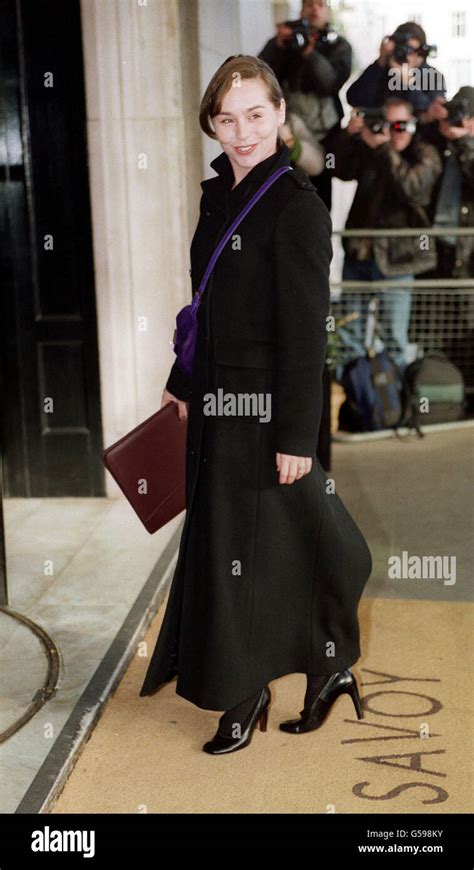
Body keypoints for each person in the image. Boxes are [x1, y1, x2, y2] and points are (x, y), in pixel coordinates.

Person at [139, 55, 373, 755]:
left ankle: (245, 693)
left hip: (269, 413)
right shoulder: (219, 196)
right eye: (226, 118)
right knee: (251, 546)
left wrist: (298, 436)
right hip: (215, 402)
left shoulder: (297, 207)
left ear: (280, 116)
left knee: (257, 548)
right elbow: (204, 304)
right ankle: (328, 664)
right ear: (211, 122)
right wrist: (183, 383)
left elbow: (306, 338)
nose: (241, 132)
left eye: (255, 115)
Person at [329, 96, 442, 376]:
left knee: (393, 340)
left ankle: (395, 410)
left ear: (412, 125)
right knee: (350, 338)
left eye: (401, 126)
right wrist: (349, 134)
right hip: (359, 255)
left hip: (398, 261)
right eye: (387, 125)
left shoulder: (425, 154)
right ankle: (355, 405)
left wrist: (382, 149)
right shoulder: (370, 149)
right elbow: (336, 168)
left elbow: (411, 188)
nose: (393, 133)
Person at [259, 0, 352, 210]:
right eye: (309, 4)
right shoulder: (285, 41)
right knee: (285, 198)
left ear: (328, 12)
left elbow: (331, 83)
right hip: (287, 132)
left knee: (319, 202)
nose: (315, 9)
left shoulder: (338, 45)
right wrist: (278, 45)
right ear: (301, 10)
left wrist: (310, 53)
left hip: (325, 135)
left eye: (320, 4)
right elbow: (261, 75)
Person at [419, 86, 474, 279]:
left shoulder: (464, 146)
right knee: (429, 306)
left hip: (465, 249)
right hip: (432, 243)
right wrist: (429, 118)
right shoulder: (438, 142)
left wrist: (465, 141)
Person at [346, 21, 446, 123]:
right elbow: (354, 99)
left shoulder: (431, 75)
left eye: (411, 51)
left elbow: (432, 111)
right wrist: (380, 63)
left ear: (421, 54)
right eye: (402, 49)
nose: (405, 55)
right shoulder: (381, 70)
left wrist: (408, 82)